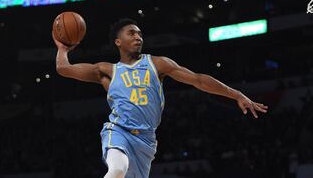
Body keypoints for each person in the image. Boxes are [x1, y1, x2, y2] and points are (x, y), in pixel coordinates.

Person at [52, 18, 268, 178]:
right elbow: (64, 69)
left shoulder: (157, 63)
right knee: (117, 169)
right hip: (118, 131)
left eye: (140, 34)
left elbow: (198, 80)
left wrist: (236, 94)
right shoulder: (106, 70)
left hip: (146, 141)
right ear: (118, 41)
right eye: (131, 33)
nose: (138, 37)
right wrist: (62, 48)